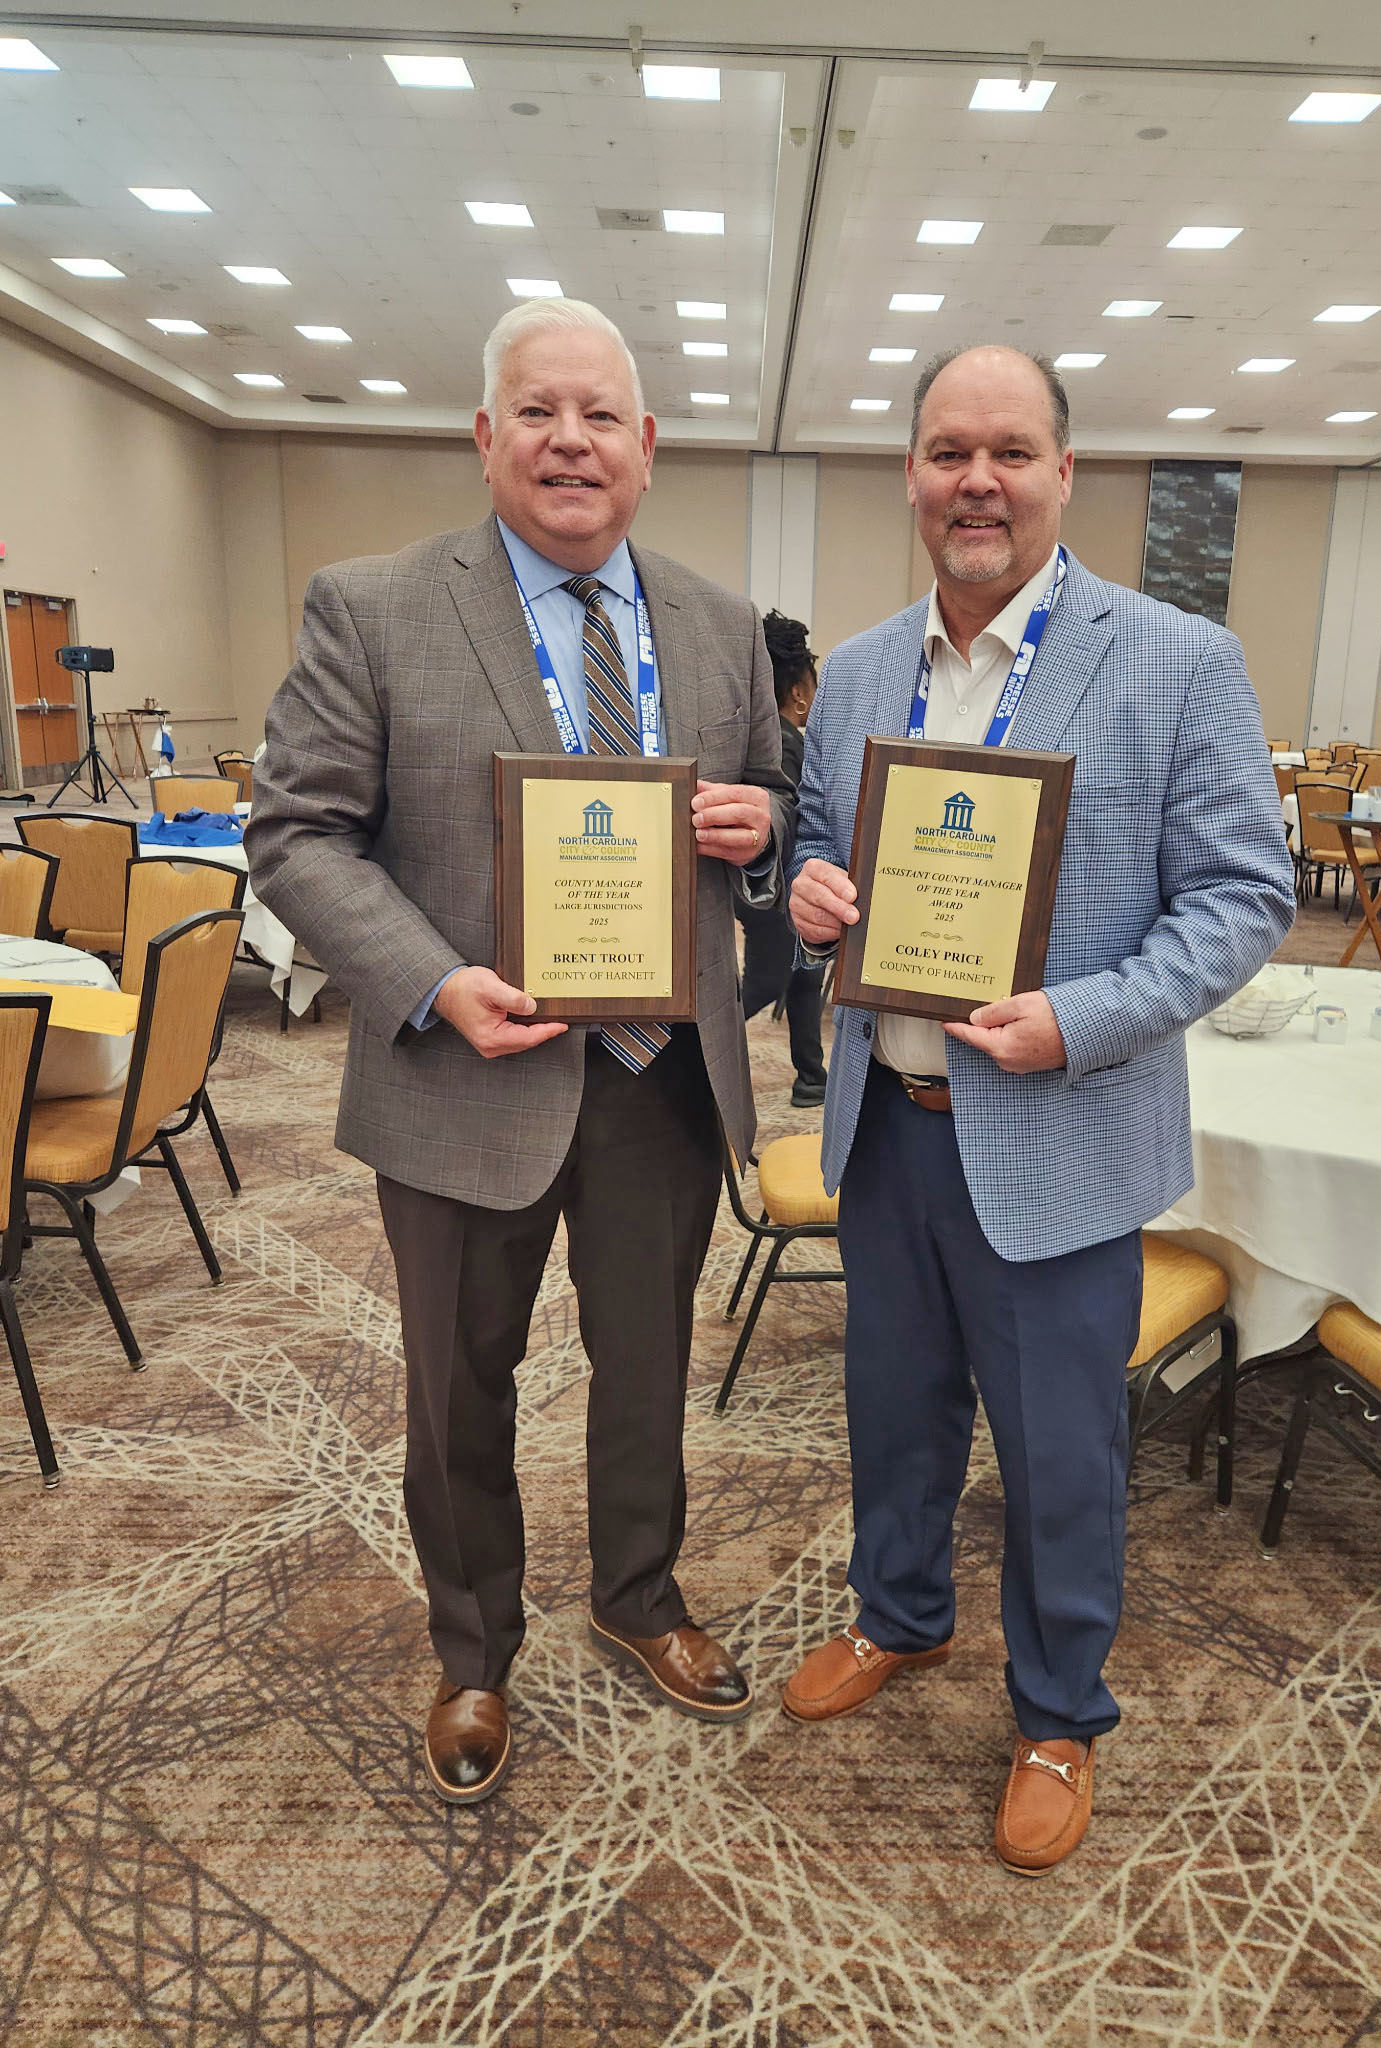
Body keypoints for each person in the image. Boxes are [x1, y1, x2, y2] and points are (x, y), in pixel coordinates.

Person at [248, 299, 793, 1806]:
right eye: (538, 413)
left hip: (658, 1085)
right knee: (456, 1386)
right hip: (460, 1078)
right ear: (486, 437)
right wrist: (432, 982)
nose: (571, 441)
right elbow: (294, 835)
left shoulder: (719, 625)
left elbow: (774, 831)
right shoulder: (373, 606)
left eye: (600, 415)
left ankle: (638, 1597)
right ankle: (475, 1649)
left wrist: (762, 838)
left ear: (647, 446)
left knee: (649, 1368)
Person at [780, 345, 1295, 1877]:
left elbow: (1242, 897)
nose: (977, 480)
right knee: (896, 1413)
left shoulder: (1178, 660)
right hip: (889, 1132)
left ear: (1066, 473)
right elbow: (821, 846)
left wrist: (1076, 1018)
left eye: (1010, 450)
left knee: (1062, 1453)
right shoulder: (866, 670)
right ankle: (902, 1616)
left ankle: (1060, 1709)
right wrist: (810, 894)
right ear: (915, 478)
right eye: (948, 451)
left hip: (1063, 1136)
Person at [737, 610, 827, 1105]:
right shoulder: (787, 745)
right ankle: (693, 1052)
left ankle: (811, 1077)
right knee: (766, 984)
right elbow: (791, 818)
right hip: (774, 896)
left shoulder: (765, 738)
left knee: (805, 979)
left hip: (778, 893)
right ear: (799, 693)